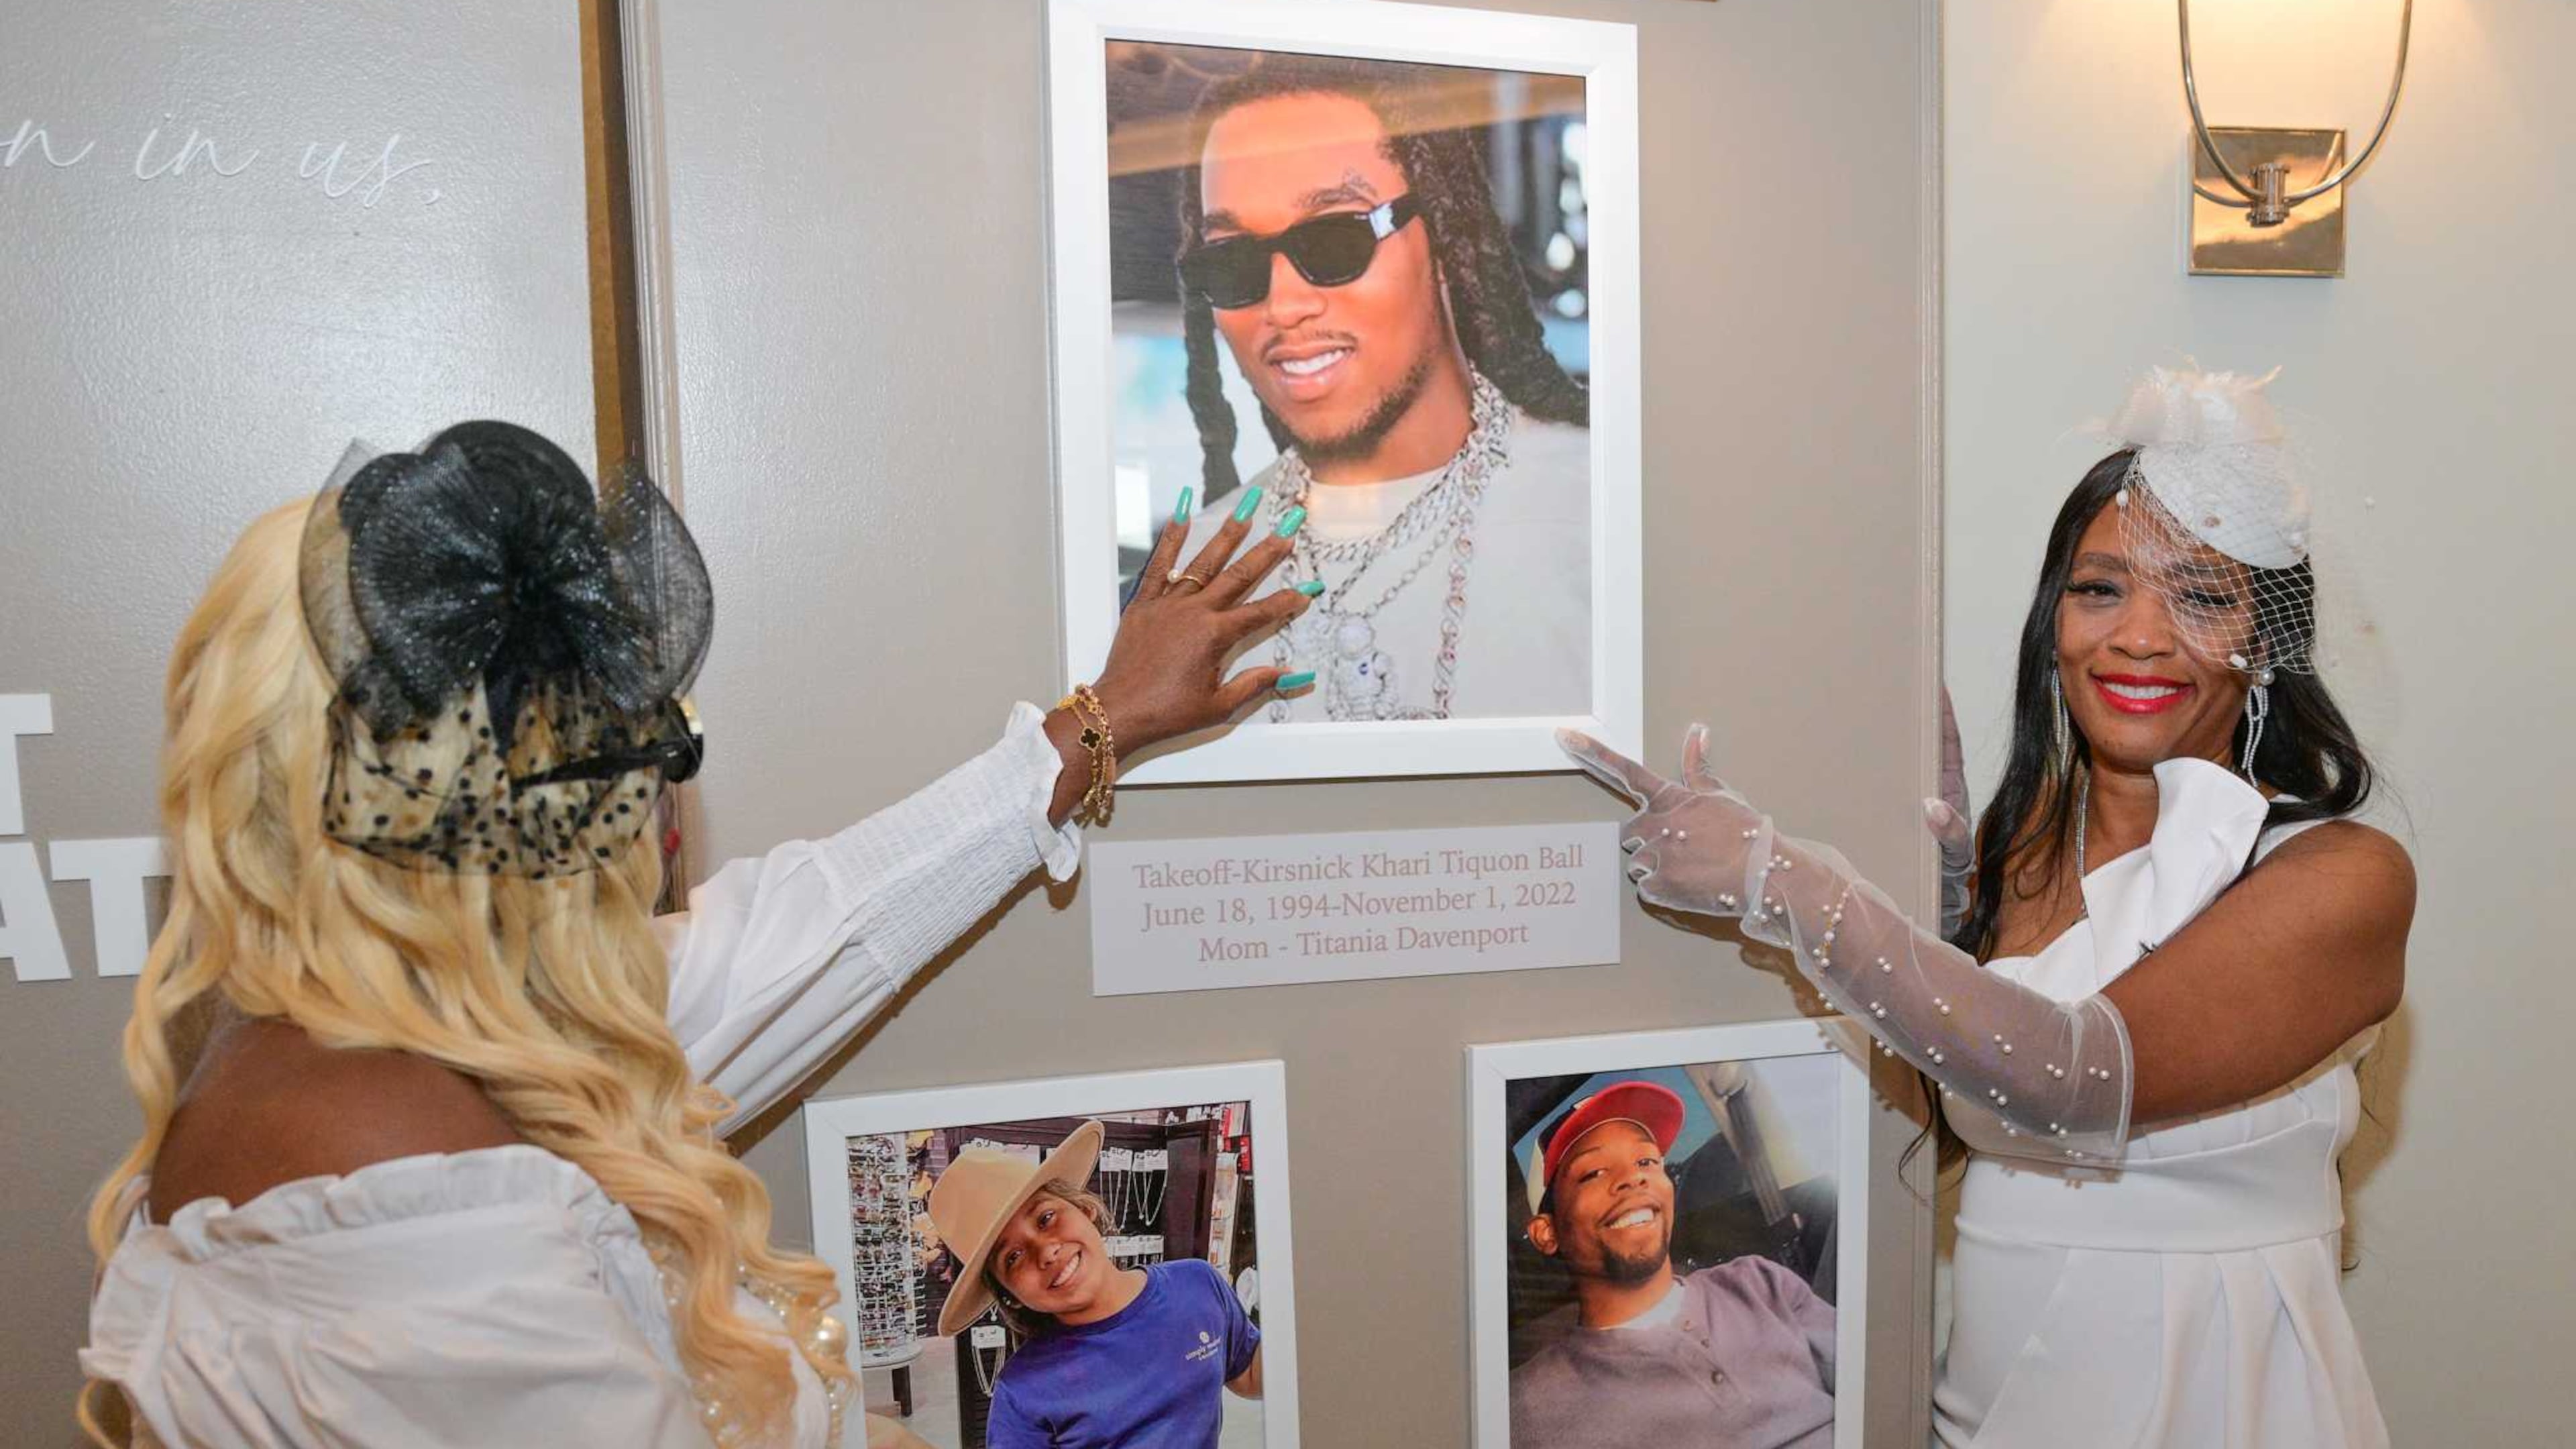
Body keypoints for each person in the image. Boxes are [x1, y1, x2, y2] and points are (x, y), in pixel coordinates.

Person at [75, 422, 1313, 1448]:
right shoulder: (398, 1194)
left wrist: (1096, 725)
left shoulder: (456, 1039)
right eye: (632, 748)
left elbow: (825, 923)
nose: (661, 800)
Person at [1564, 366, 2412, 1448]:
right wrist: (1953, 923)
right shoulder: (2020, 848)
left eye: (2200, 596)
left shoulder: (2344, 874)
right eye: (2100, 589)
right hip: (1999, 1403)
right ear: (2052, 615)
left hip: (2225, 1397)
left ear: (2267, 640)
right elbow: (1973, 1135)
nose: (2138, 638)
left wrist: (1787, 883)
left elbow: (2070, 1080)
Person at [1167, 53, 1591, 723]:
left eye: (1335, 240)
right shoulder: (1195, 577)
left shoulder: (1596, 516)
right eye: (1233, 261)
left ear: (1446, 240)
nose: (1284, 306)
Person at [1509, 1081, 1837, 1449]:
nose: (1635, 1177)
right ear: (1547, 1233)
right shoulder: (1526, 1409)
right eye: (1593, 1173)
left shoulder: (1759, 1283)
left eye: (1647, 1161)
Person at [924, 1122, 1259, 1448]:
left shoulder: (1197, 1284)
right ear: (1010, 1296)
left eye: (1045, 1218)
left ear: (1085, 1209)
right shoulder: (1024, 1391)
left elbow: (1248, 1375)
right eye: (1012, 1258)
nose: (1046, 1251)